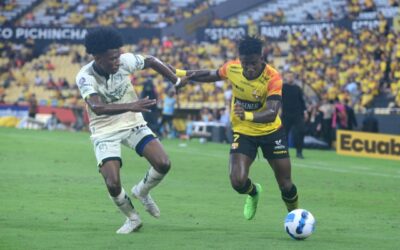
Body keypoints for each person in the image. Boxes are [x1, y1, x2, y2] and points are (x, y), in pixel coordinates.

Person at [75, 27, 190, 234]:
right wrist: (131, 105)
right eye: (112, 59)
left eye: (118, 56)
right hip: (104, 129)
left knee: (163, 163)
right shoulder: (85, 76)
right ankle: (133, 218)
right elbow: (97, 107)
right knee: (112, 183)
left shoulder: (124, 61)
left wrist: (176, 80)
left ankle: (142, 191)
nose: (117, 62)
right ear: (97, 57)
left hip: (131, 122)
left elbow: (152, 60)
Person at [172, 36, 299, 221]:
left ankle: (295, 217)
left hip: (271, 132)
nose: (249, 68)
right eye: (245, 63)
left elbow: (272, 112)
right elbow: (211, 75)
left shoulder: (273, 77)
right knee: (237, 182)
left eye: (253, 63)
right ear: (240, 59)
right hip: (243, 131)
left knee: (286, 184)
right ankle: (254, 192)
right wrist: (184, 75)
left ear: (261, 58)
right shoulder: (233, 67)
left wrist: (246, 115)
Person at [281, 71, 307, 159]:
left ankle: (299, 152)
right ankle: (284, 151)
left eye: (291, 76)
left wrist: (305, 112)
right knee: (284, 134)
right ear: (285, 77)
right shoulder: (282, 87)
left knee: (301, 131)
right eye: (288, 76)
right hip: (286, 114)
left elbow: (302, 101)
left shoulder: (297, 88)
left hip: (297, 114)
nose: (290, 78)